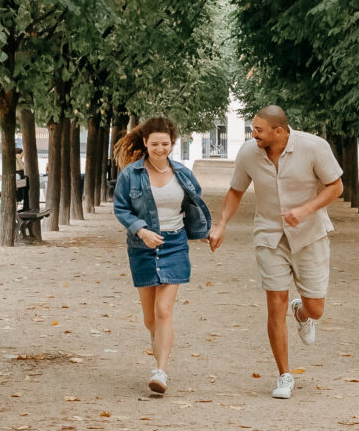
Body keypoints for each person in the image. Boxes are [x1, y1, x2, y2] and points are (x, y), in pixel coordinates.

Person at [208, 106, 343, 400]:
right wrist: (220, 226)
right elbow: (235, 191)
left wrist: (305, 210)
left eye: (258, 130)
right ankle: (284, 375)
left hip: (310, 235)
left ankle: (302, 312)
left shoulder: (314, 147)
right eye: (252, 129)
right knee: (275, 302)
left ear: (279, 132)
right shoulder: (248, 153)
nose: (252, 134)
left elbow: (336, 186)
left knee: (316, 308)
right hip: (269, 235)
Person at [112, 117, 211, 396]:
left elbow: (194, 205)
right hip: (142, 247)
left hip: (174, 244)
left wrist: (203, 231)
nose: (160, 148)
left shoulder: (182, 174)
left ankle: (161, 371)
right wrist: (141, 231)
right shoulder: (131, 175)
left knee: (164, 310)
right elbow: (121, 209)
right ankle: (160, 359)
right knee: (149, 318)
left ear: (173, 143)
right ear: (145, 142)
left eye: (165, 144)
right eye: (154, 143)